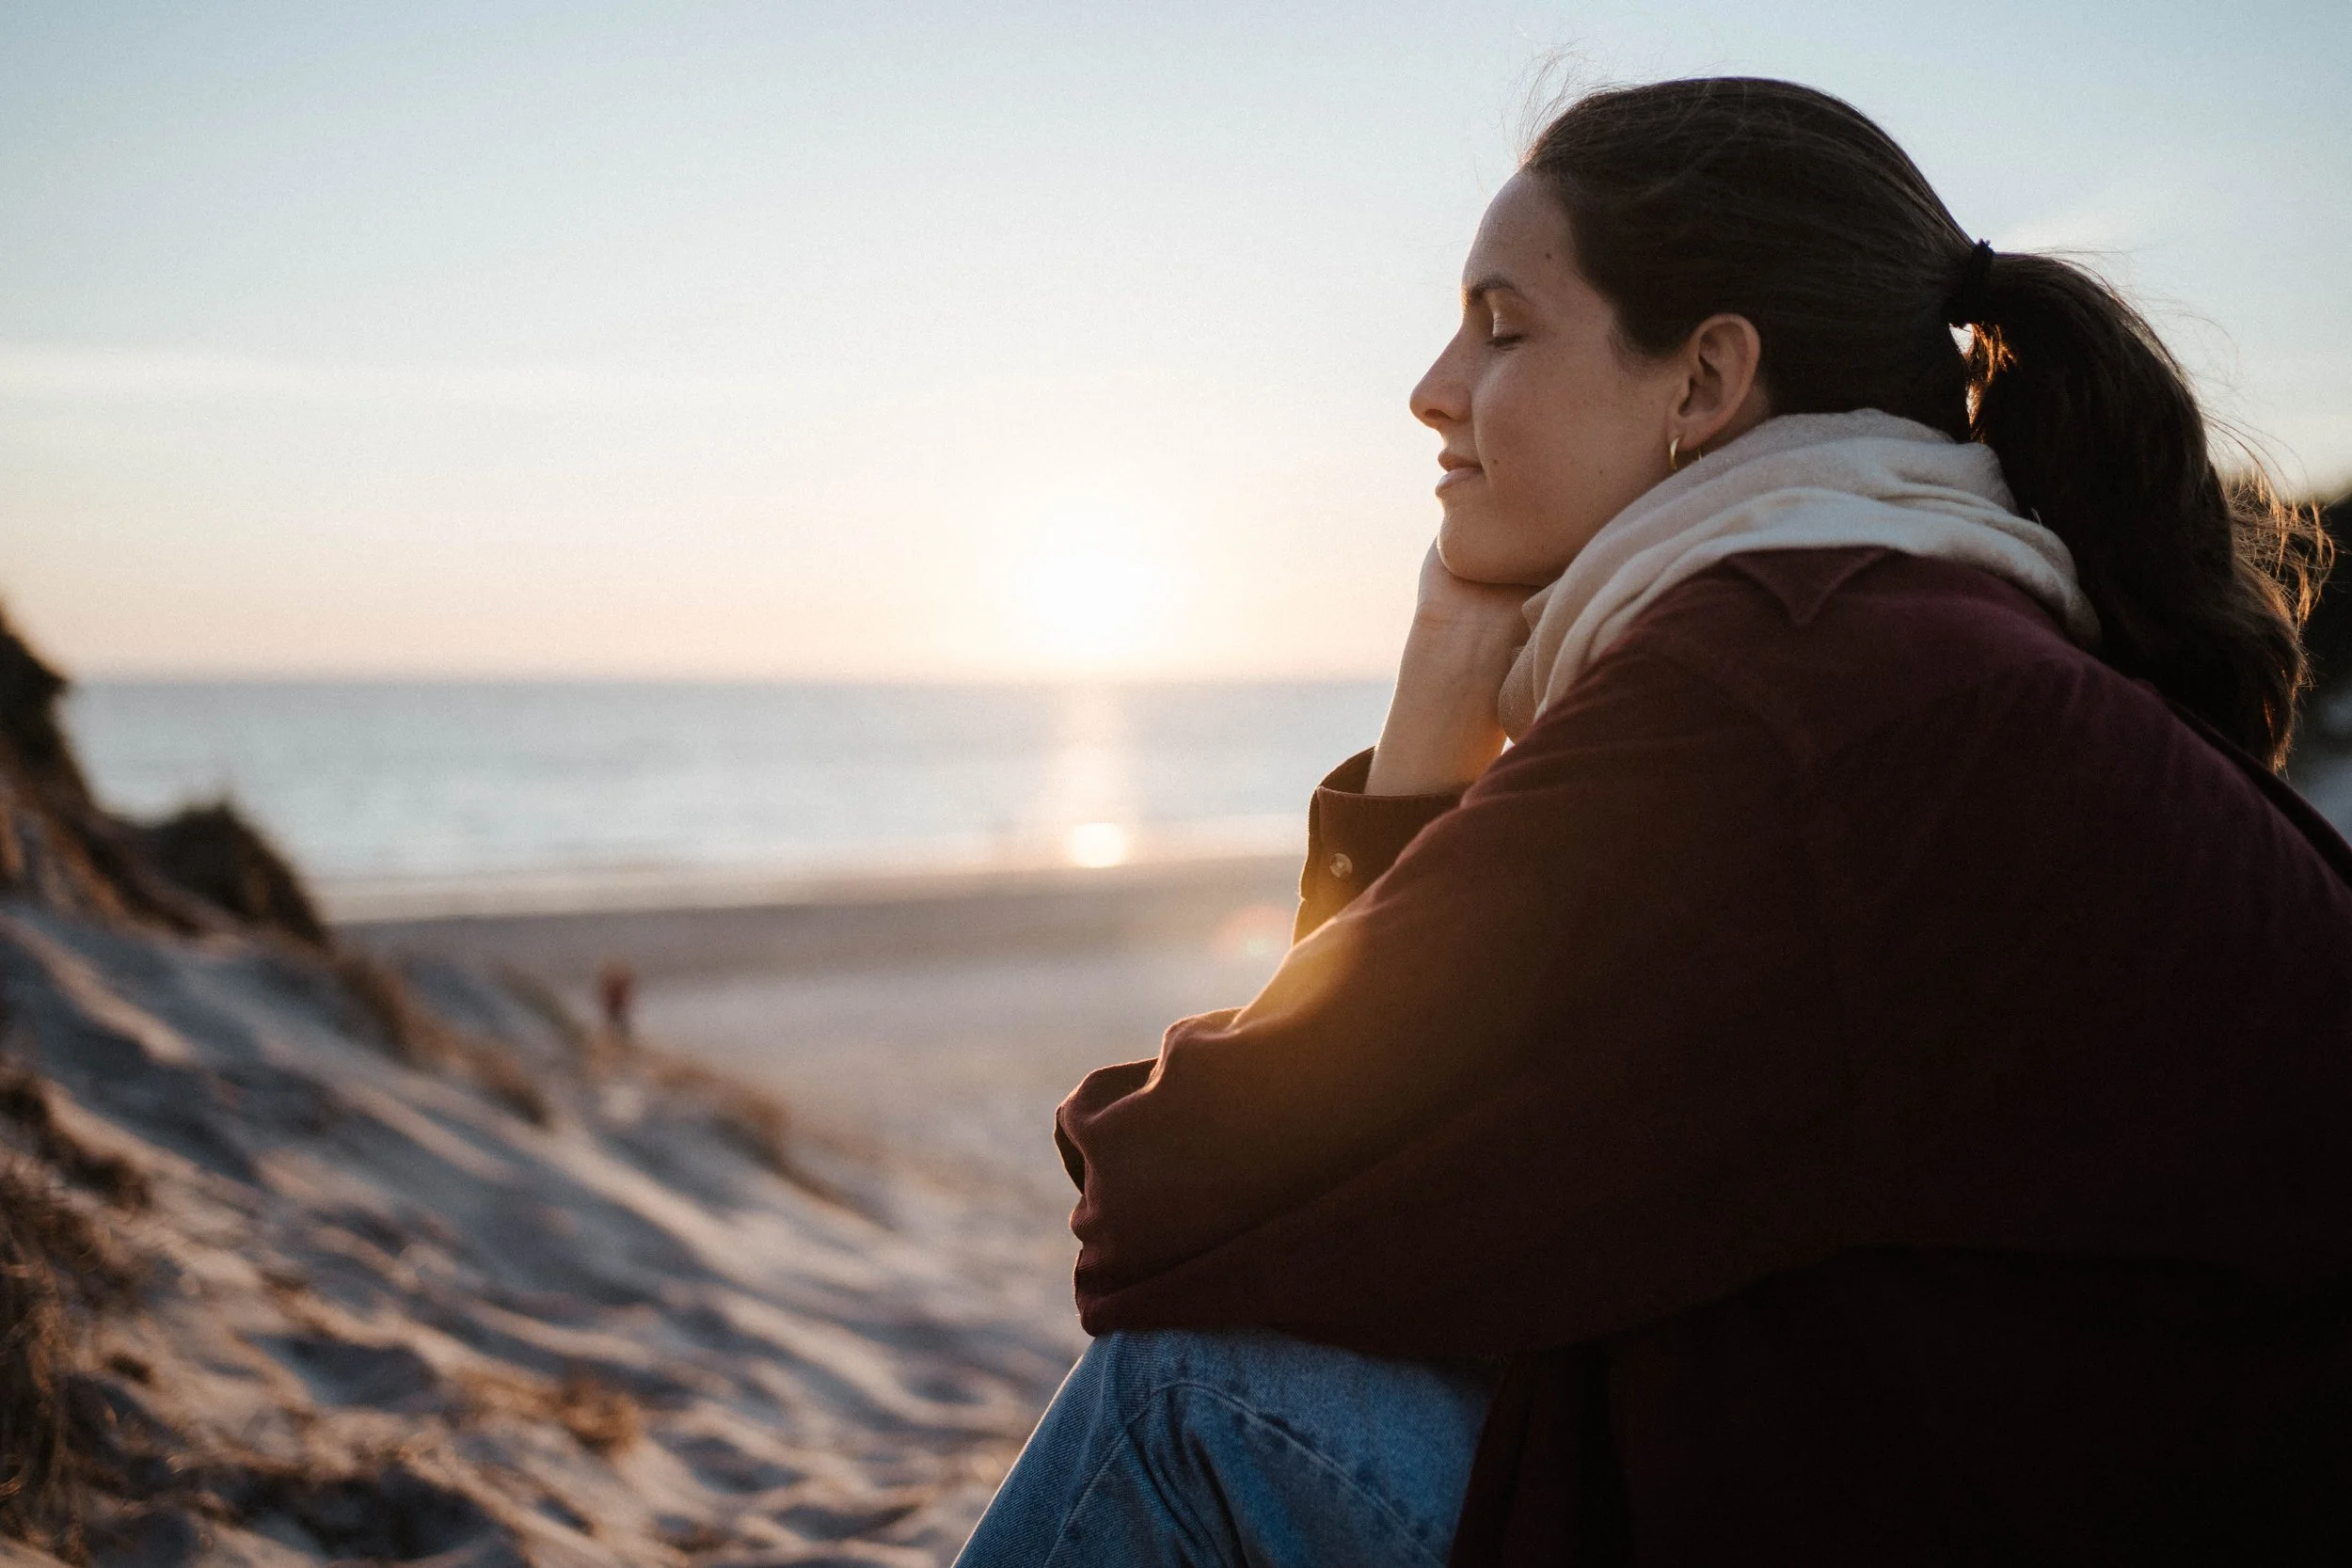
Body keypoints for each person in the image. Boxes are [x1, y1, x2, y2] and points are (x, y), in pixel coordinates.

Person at [955, 77, 2352, 1566]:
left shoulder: (1788, 674)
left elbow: (1182, 1192)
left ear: (1703, 382)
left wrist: (1430, 730)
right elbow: (1402, 1153)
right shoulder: (1917, 628)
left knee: (1184, 1396)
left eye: (1503, 326)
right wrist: (1442, 693)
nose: (1434, 388)